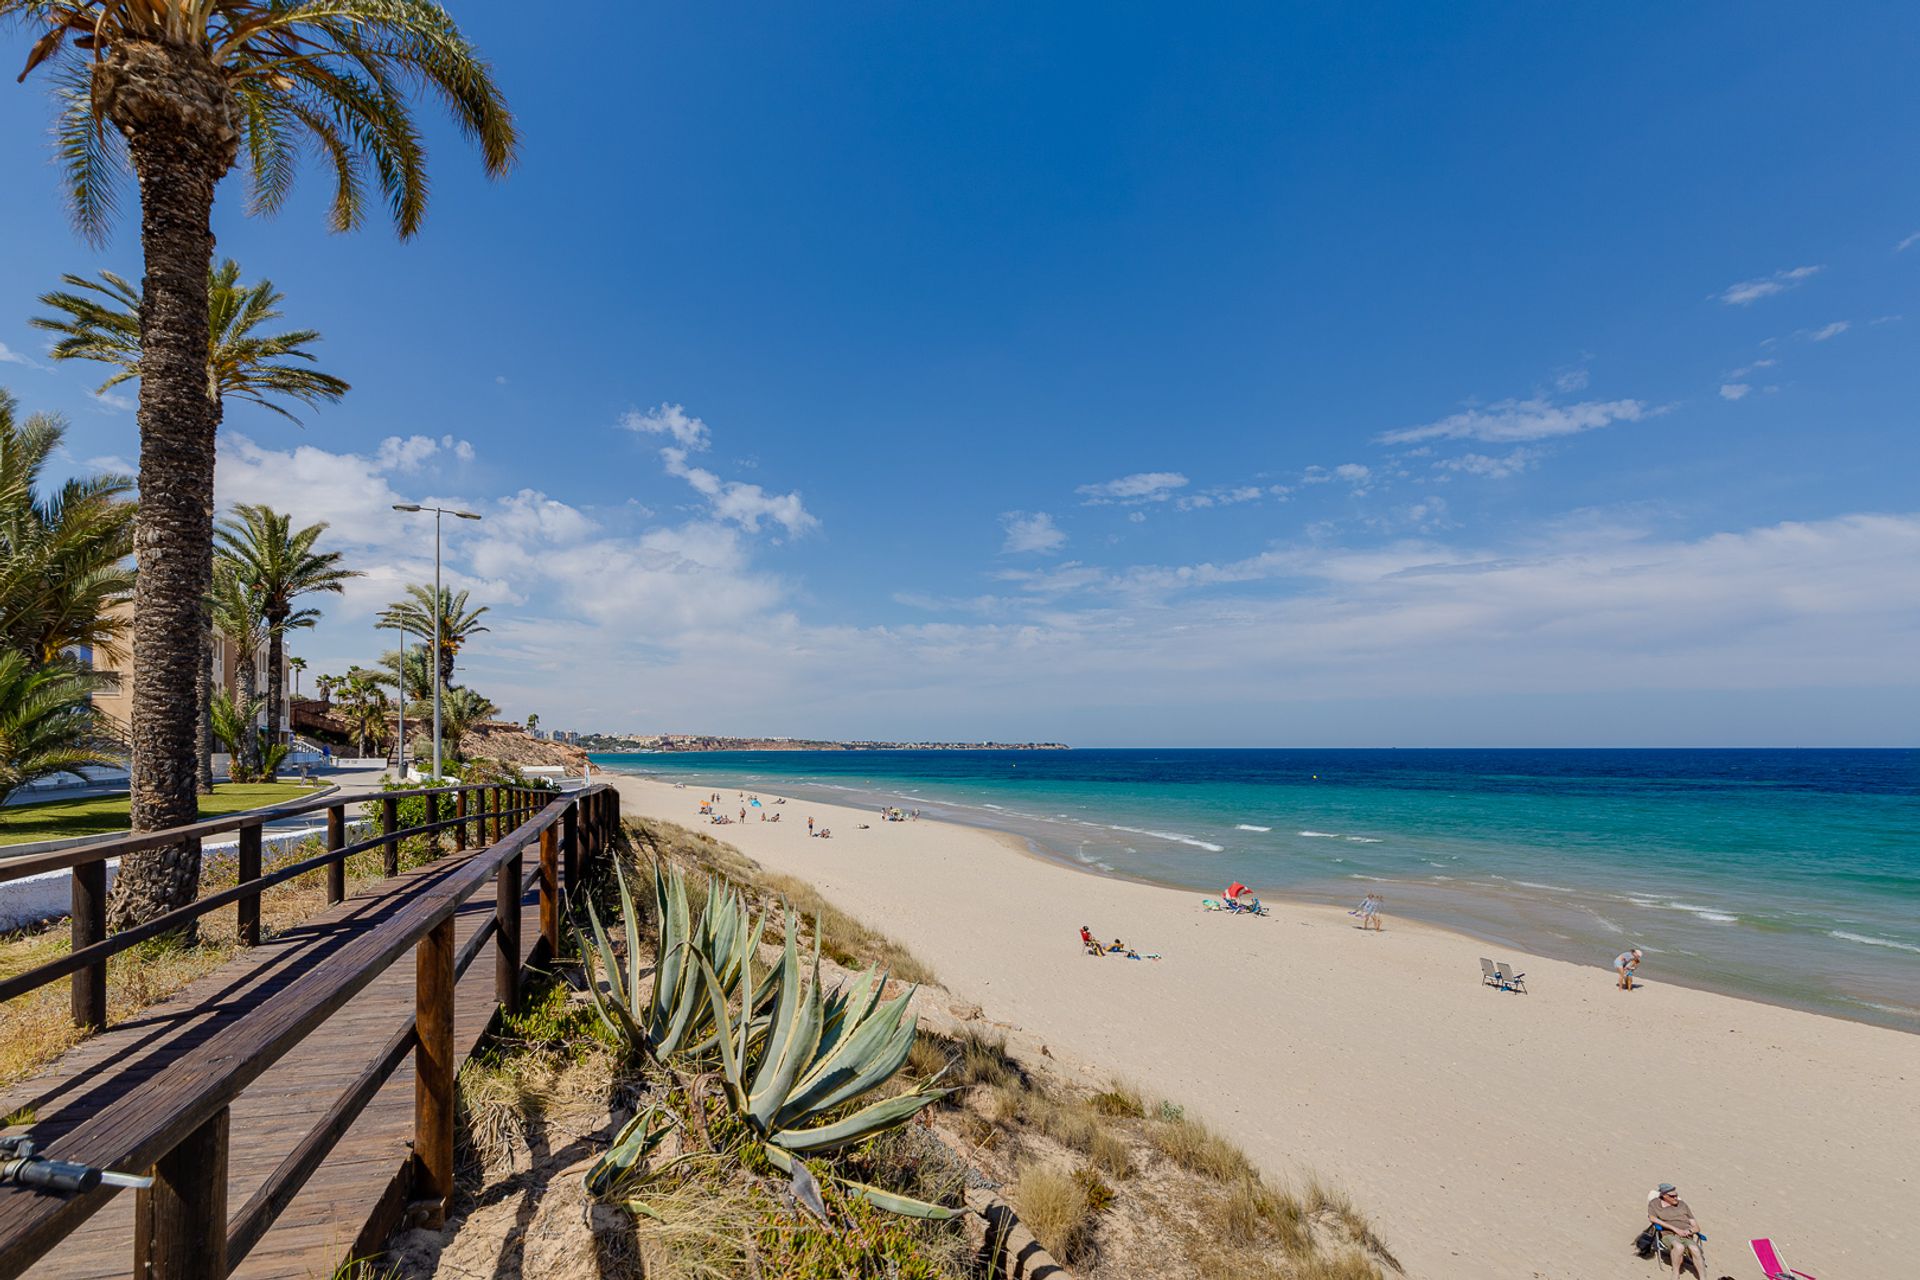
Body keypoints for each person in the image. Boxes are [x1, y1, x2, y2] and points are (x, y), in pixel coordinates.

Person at [1647, 1183, 1705, 1276]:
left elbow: (1696, 1227)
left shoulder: (1682, 1205)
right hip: (1668, 1234)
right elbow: (1652, 1218)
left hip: (1686, 1235)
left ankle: (1703, 1277)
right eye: (1672, 1196)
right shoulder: (1655, 1204)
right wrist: (1675, 1229)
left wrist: (1689, 1231)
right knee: (1679, 1247)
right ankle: (1675, 1273)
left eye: (1676, 1195)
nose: (1675, 1198)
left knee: (1695, 1249)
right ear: (1664, 1195)